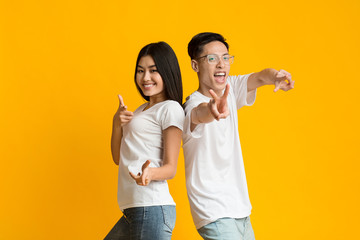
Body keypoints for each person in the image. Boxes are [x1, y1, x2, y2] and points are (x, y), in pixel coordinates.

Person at [182, 32, 295, 240]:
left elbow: (261, 76)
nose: (221, 65)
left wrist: (276, 76)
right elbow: (200, 114)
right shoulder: (190, 106)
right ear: (195, 65)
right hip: (213, 209)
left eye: (226, 58)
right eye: (212, 59)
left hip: (240, 209)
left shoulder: (230, 88)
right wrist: (212, 110)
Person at [105, 41, 184, 240]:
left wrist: (150, 173)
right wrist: (116, 124)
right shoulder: (140, 110)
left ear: (167, 72)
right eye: (140, 71)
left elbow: (171, 168)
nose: (145, 77)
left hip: (151, 207)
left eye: (153, 71)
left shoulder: (171, 108)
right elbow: (117, 158)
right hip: (135, 208)